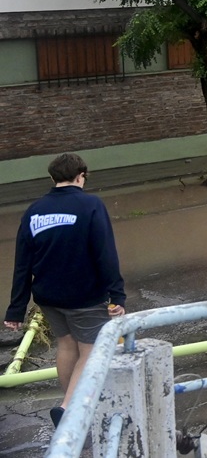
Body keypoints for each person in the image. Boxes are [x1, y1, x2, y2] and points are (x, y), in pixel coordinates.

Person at [5, 154, 126, 428]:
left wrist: (16, 309)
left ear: (52, 178)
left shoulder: (34, 211)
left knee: (67, 344)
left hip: (48, 298)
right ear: (81, 175)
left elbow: (22, 263)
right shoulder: (91, 205)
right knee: (91, 350)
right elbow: (105, 253)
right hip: (84, 296)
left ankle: (72, 401)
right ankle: (69, 408)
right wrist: (117, 294)